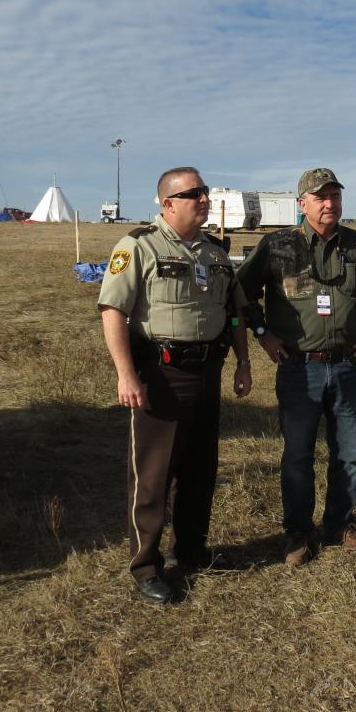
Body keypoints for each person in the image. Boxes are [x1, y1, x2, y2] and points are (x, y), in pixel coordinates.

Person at [98, 166, 252, 605]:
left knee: (200, 468)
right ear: (168, 203)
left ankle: (191, 550)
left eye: (205, 191)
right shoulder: (138, 246)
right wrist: (126, 374)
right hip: (161, 376)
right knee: (153, 475)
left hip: (208, 373)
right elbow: (113, 310)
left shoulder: (216, 254)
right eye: (194, 194)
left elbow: (236, 312)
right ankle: (146, 566)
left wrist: (242, 362)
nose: (204, 198)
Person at [237, 168, 356, 566]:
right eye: (320, 197)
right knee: (298, 454)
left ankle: (339, 524)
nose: (329, 203)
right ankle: (297, 531)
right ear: (302, 204)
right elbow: (241, 291)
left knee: (348, 452)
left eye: (334, 196)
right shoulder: (279, 245)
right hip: (298, 368)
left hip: (347, 366)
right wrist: (263, 333)